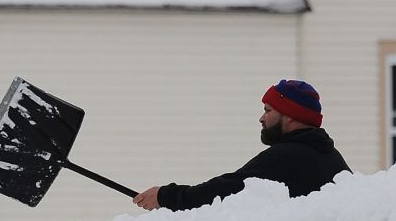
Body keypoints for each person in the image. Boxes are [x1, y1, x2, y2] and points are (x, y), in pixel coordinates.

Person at [133, 79, 350, 211]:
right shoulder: (330, 156)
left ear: (291, 116)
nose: (261, 118)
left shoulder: (287, 156)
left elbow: (223, 190)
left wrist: (164, 196)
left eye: (268, 110)